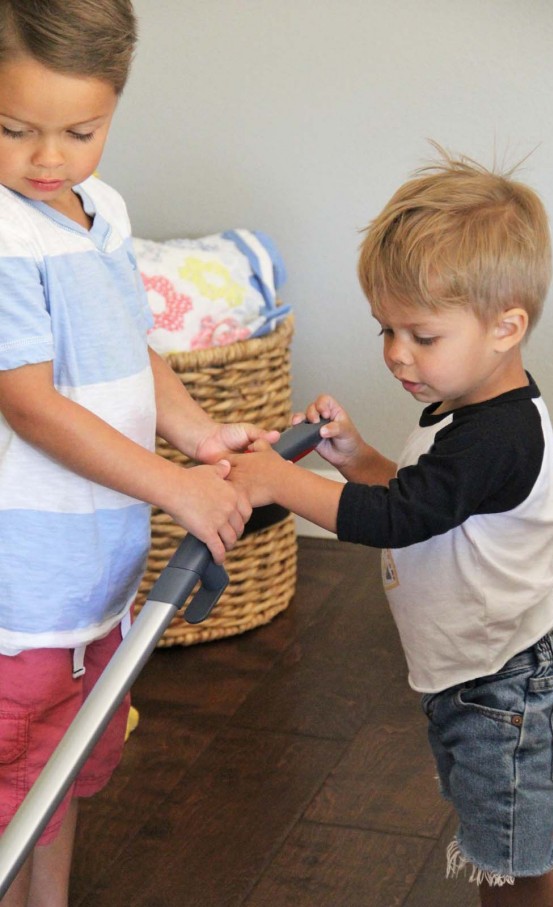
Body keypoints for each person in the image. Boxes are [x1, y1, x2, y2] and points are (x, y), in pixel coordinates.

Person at [228, 147, 553, 906]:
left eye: (421, 335)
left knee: (508, 857)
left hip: (513, 683)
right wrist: (350, 454)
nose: (397, 354)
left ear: (505, 326)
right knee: (497, 835)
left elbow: (398, 515)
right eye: (384, 331)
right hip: (477, 674)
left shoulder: (498, 435)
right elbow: (419, 507)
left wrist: (283, 479)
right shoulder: (461, 415)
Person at [0, 2, 279, 904]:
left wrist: (196, 433)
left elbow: (131, 347)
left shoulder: (102, 213)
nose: (49, 159)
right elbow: (29, 405)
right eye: (12, 129)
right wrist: (174, 486)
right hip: (15, 599)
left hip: (95, 591)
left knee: (65, 764)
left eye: (81, 132)